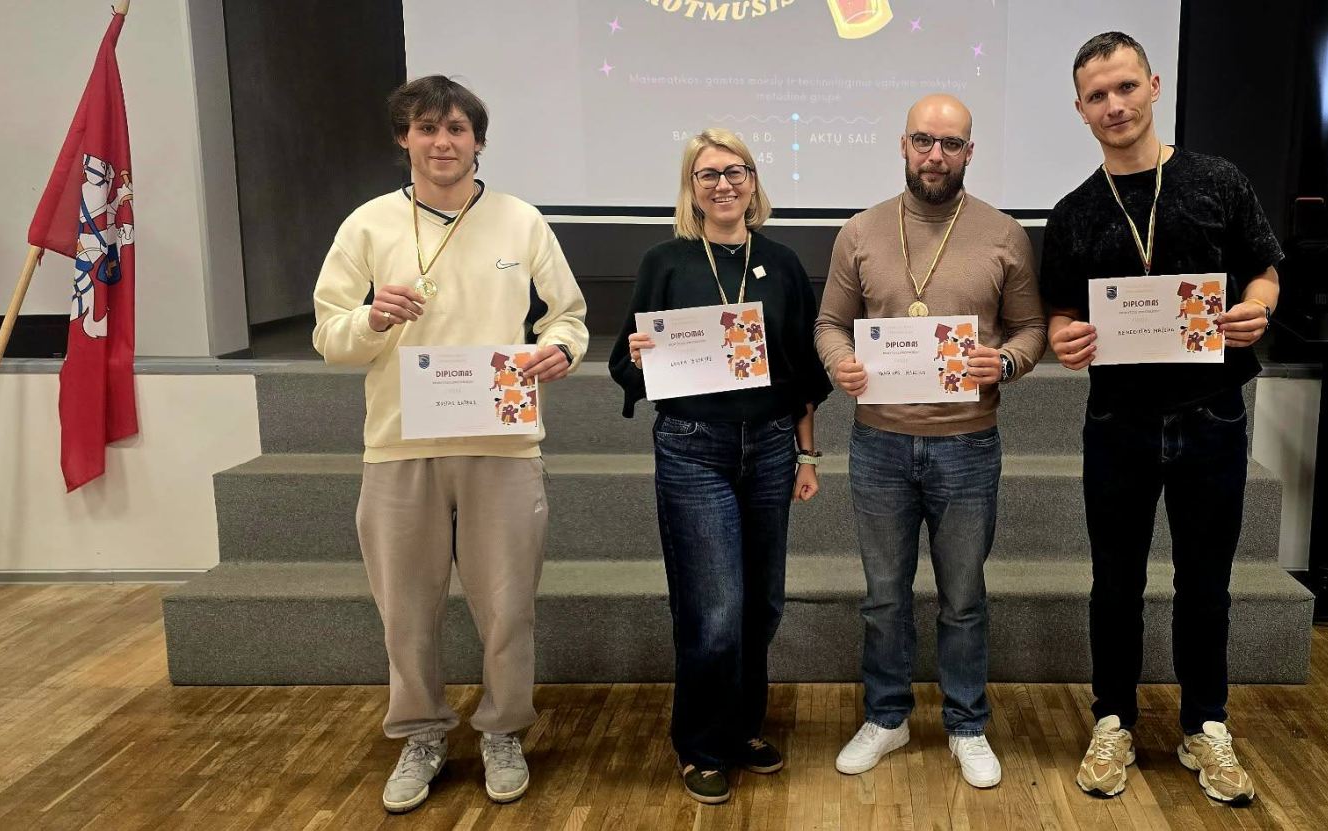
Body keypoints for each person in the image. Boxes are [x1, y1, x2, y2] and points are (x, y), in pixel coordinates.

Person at [311, 75, 588, 813]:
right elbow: (329, 336)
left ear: (478, 141)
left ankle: (503, 730)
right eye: (427, 128)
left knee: (508, 608)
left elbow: (568, 316)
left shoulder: (520, 221)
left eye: (457, 129)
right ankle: (420, 733)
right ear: (403, 138)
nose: (443, 142)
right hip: (400, 445)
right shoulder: (367, 225)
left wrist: (561, 348)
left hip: (503, 444)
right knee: (405, 612)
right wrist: (371, 319)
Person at [1040, 32, 1282, 806]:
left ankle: (1205, 724)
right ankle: (1112, 719)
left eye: (1124, 87)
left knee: (1205, 583)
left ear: (1153, 84)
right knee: (1114, 583)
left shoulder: (1217, 181)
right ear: (1080, 110)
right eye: (1097, 96)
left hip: (1212, 416)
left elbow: (1264, 271)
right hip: (1118, 422)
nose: (1114, 105)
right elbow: (1060, 315)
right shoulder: (1073, 212)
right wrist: (1063, 339)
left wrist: (1257, 308)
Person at [814, 94, 1047, 790]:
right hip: (879, 444)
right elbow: (830, 323)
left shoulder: (1004, 234)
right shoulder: (860, 232)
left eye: (950, 144)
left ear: (970, 151)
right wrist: (839, 363)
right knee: (884, 597)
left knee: (963, 597)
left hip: (967, 447)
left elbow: (1031, 329)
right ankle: (886, 717)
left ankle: (966, 723)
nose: (935, 156)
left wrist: (1006, 361)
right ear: (903, 145)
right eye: (924, 141)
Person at [608, 128, 832, 804]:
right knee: (715, 606)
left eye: (736, 171)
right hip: (693, 446)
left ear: (754, 181)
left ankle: (740, 729)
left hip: (770, 446)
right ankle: (702, 744)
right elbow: (625, 363)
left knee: (762, 602)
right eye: (708, 174)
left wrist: (807, 453)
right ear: (692, 187)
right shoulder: (665, 261)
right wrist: (641, 356)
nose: (724, 184)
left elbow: (801, 370)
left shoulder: (782, 263)